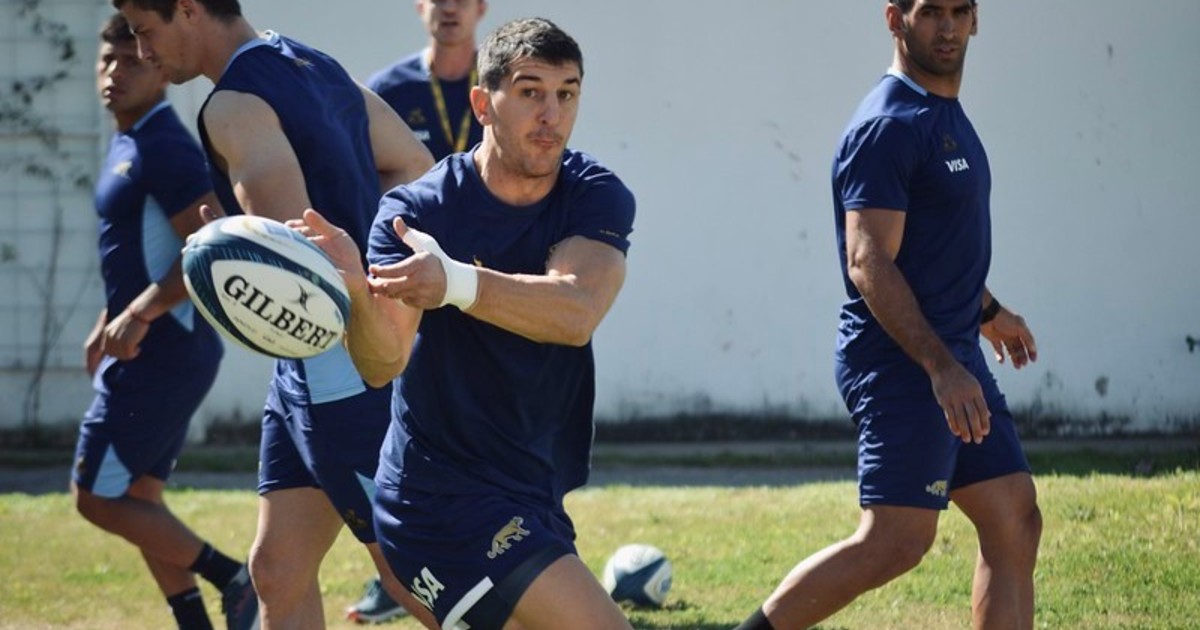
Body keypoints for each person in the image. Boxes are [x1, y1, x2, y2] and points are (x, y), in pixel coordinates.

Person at [296, 17, 637, 630]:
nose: (552, 115)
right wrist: (356, 294)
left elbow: (576, 311)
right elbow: (381, 363)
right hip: (440, 498)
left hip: (530, 486)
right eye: (530, 92)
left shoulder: (592, 194)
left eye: (567, 93)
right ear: (483, 104)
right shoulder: (415, 213)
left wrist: (453, 283)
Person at [111, 0, 438, 627]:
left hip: (335, 368)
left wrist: (228, 243)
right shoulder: (312, 63)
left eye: (145, 32)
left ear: (188, 10)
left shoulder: (231, 106)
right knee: (276, 569)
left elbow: (295, 263)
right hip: (310, 367)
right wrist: (376, 275)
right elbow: (413, 166)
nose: (142, 51)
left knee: (410, 571)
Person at [735, 2, 1043, 629]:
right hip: (904, 362)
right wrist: (940, 368)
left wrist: (988, 310)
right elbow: (868, 259)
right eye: (930, 12)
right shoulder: (889, 124)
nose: (947, 27)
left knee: (1013, 514)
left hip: (953, 353)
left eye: (960, 11)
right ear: (895, 19)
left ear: (977, 19)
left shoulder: (943, 114)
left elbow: (931, 250)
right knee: (896, 540)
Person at [72, 13, 258, 630]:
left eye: (131, 61)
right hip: (156, 344)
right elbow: (141, 253)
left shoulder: (166, 146)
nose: (115, 73)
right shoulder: (130, 139)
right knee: (138, 499)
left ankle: (235, 579)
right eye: (108, 60)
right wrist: (110, 315)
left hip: (164, 348)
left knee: (95, 498)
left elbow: (207, 249)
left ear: (158, 69)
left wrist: (140, 312)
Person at [349, 2, 488, 622]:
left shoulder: (503, 83)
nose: (450, 7)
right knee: (400, 421)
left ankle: (512, 552)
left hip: (482, 281)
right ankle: (397, 570)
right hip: (408, 282)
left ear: (481, 7)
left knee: (484, 422)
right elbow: (362, 183)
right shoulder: (389, 89)